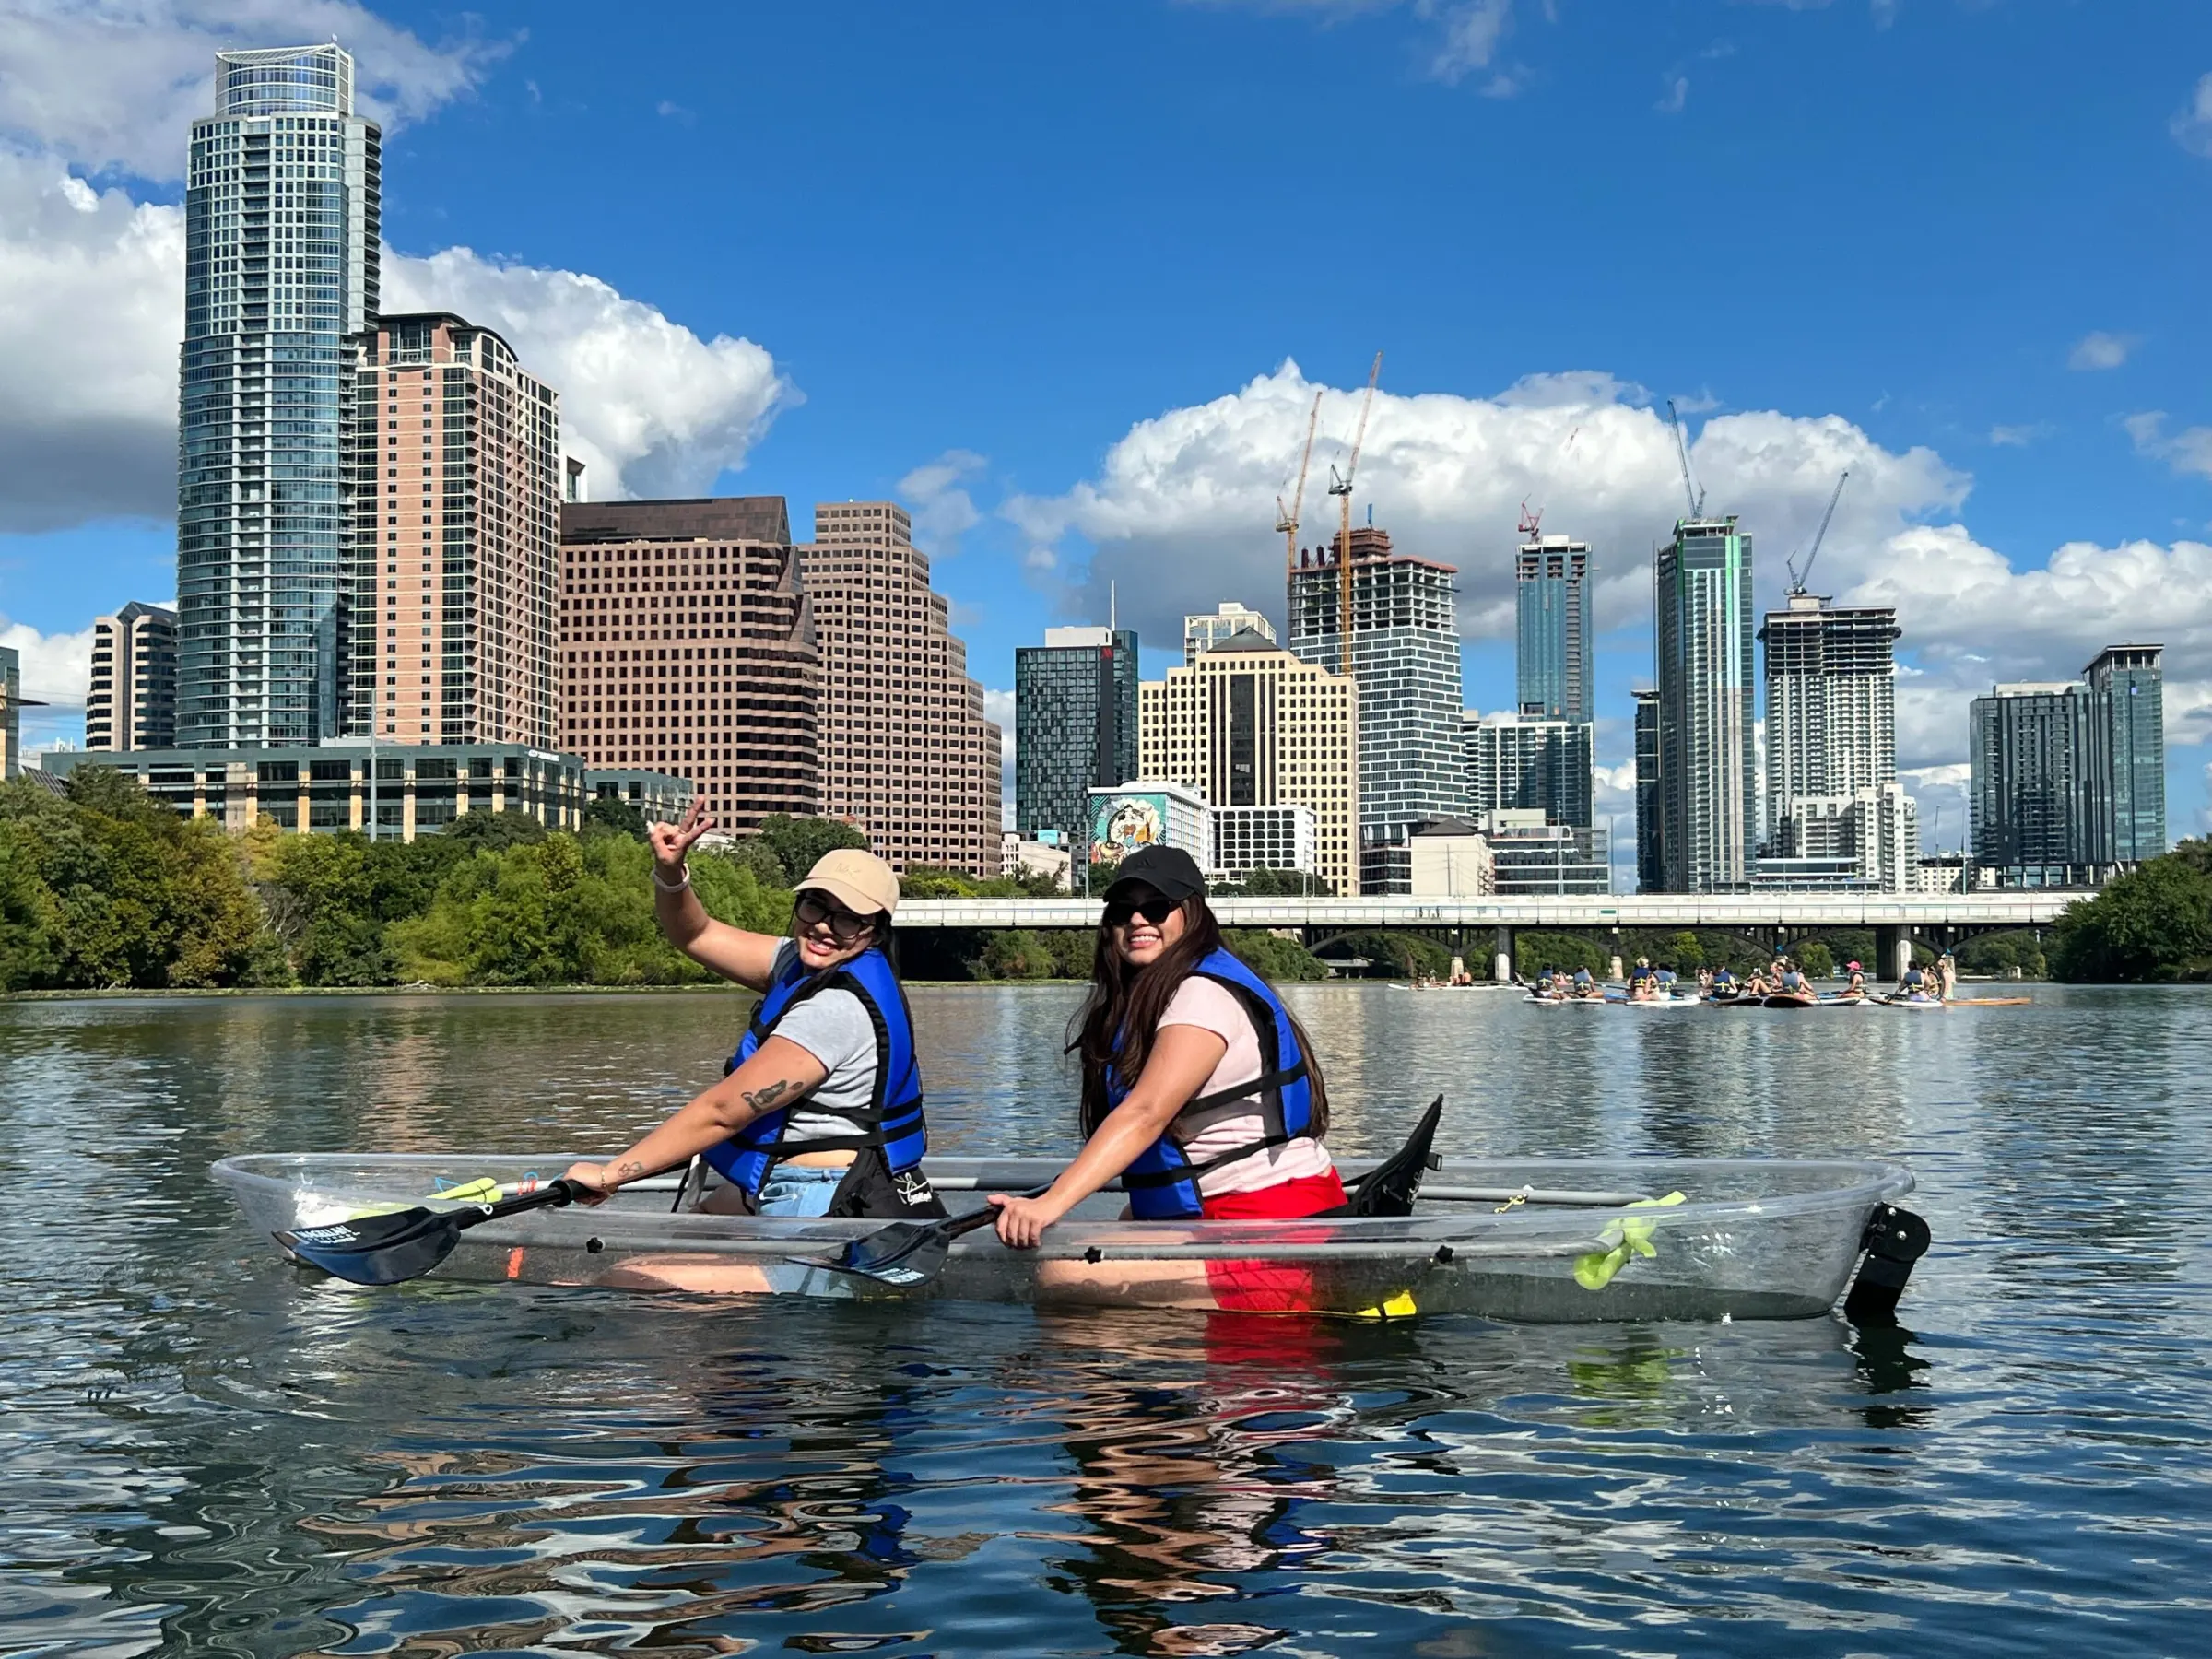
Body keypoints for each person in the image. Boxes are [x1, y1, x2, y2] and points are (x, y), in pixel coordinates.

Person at [563, 805, 944, 1220]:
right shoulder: (794, 962)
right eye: (815, 906)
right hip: (796, 1180)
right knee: (671, 1247)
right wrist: (672, 875)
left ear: (875, 932)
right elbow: (696, 934)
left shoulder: (835, 1008)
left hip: (819, 1195)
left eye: (848, 919)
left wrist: (610, 1175)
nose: (823, 928)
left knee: (635, 1276)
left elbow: (724, 1113)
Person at [988, 845, 1344, 1250]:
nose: (1138, 919)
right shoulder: (1165, 992)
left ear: (1192, 913)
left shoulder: (1201, 994)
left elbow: (1146, 1114)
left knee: (1062, 1273)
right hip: (1221, 1212)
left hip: (1269, 1217)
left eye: (1157, 907)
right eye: (1123, 911)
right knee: (1118, 1227)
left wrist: (1048, 1205)